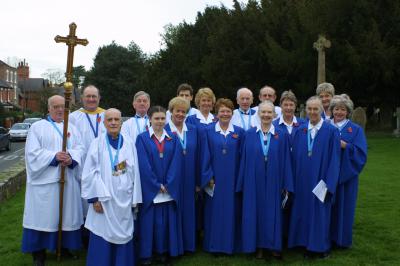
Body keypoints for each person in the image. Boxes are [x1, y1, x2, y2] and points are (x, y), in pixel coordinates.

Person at [22, 95, 84, 266]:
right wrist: (54, 156)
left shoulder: (72, 128)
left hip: (67, 180)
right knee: (43, 217)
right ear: (48, 108)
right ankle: (38, 253)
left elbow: (80, 149)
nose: (59, 110)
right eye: (55, 106)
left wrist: (71, 158)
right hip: (45, 184)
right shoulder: (37, 127)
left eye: (63, 107)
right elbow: (32, 154)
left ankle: (63, 247)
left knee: (65, 216)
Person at [81, 108, 142, 266]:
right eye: (110, 120)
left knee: (124, 231)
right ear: (104, 122)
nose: (114, 123)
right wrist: (95, 198)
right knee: (102, 232)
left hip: (124, 198)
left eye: (116, 119)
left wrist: (135, 198)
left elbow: (135, 171)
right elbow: (88, 172)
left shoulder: (129, 142)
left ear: (121, 122)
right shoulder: (97, 143)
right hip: (104, 199)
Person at [237, 101, 293, 260]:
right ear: (258, 114)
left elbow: (287, 160)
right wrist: (242, 183)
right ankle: (258, 246)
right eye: (263, 112)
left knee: (273, 213)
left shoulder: (282, 134)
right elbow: (244, 159)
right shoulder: (249, 134)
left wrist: (287, 183)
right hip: (254, 180)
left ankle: (274, 246)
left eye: (269, 112)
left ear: (274, 115)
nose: (266, 115)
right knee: (255, 212)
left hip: (275, 180)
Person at [288, 96, 341, 259]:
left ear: (322, 111)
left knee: (320, 214)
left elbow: (334, 160)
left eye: (315, 109)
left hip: (321, 181)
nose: (312, 112)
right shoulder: (300, 130)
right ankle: (304, 243)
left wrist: (329, 183)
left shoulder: (331, 131)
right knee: (303, 211)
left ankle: (319, 247)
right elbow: (293, 158)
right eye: (309, 109)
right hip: (302, 180)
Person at [136, 106, 183, 265]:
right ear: (150, 119)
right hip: (152, 189)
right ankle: (147, 254)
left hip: (169, 189)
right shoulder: (142, 138)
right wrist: (156, 185)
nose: (160, 121)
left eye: (163, 118)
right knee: (150, 223)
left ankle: (164, 252)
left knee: (166, 223)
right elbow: (143, 165)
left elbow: (177, 163)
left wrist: (169, 183)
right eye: (156, 118)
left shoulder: (173, 138)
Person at [200, 98, 245, 255]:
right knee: (215, 213)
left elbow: (243, 157)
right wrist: (209, 177)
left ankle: (232, 245)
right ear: (216, 113)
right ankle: (214, 246)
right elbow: (205, 155)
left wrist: (240, 179)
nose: (225, 114)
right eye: (222, 111)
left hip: (233, 181)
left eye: (228, 111)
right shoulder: (208, 131)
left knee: (233, 212)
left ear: (232, 113)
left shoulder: (240, 132)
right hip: (215, 181)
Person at [328, 95, 367, 248]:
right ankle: (325, 238)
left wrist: (346, 146)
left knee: (344, 208)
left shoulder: (355, 130)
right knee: (326, 207)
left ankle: (341, 240)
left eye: (342, 109)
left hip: (346, 177)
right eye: (336, 109)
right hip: (326, 176)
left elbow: (361, 154)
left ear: (348, 111)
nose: (339, 112)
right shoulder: (325, 126)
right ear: (332, 110)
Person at [69, 85, 106, 247]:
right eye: (88, 96)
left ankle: (101, 234)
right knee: (83, 202)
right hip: (81, 167)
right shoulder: (73, 118)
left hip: (103, 167)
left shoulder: (107, 115)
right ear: (82, 98)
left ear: (99, 98)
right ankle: (84, 238)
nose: (91, 99)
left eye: (94, 96)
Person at [165, 97, 199, 253]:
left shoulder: (193, 130)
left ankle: (188, 245)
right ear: (171, 111)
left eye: (183, 111)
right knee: (173, 211)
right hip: (172, 178)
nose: (180, 114)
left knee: (189, 210)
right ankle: (174, 246)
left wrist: (199, 180)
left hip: (190, 177)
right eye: (177, 110)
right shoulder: (164, 130)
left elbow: (199, 154)